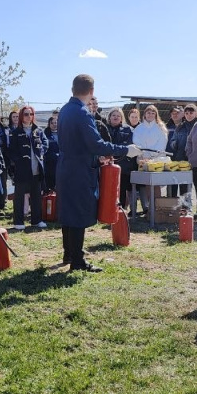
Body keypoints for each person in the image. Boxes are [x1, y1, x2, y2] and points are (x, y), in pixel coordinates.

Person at [57, 74, 140, 272]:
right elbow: (96, 143)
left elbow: (79, 144)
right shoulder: (82, 113)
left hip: (65, 168)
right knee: (78, 214)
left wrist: (98, 157)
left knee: (68, 213)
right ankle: (77, 260)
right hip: (79, 171)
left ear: (72, 89)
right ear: (92, 91)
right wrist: (126, 150)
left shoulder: (65, 111)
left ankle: (69, 253)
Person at [7, 106, 49, 229]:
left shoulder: (39, 130)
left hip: (36, 169)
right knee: (19, 197)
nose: (28, 116)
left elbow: (45, 143)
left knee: (36, 197)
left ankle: (36, 220)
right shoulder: (15, 132)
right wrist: (18, 161)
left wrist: (41, 152)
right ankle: (18, 222)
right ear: (21, 116)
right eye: (26, 114)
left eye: (31, 114)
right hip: (22, 170)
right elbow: (11, 151)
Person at [166, 103, 196, 198]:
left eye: (191, 112)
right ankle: (173, 208)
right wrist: (174, 144)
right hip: (177, 159)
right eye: (187, 113)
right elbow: (173, 140)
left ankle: (186, 209)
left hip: (191, 161)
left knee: (185, 187)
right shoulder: (180, 127)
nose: (189, 115)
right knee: (172, 184)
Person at [107, 108, 135, 207]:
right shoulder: (104, 128)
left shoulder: (128, 130)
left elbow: (129, 144)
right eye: (114, 115)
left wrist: (116, 148)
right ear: (109, 117)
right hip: (107, 164)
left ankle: (121, 211)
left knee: (121, 189)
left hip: (123, 165)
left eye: (118, 116)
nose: (116, 117)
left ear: (121, 118)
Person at [43, 114, 60, 192]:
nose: (54, 125)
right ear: (49, 124)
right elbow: (45, 149)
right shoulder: (45, 134)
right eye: (52, 123)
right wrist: (54, 155)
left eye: (56, 123)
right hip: (50, 163)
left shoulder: (62, 133)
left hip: (62, 161)